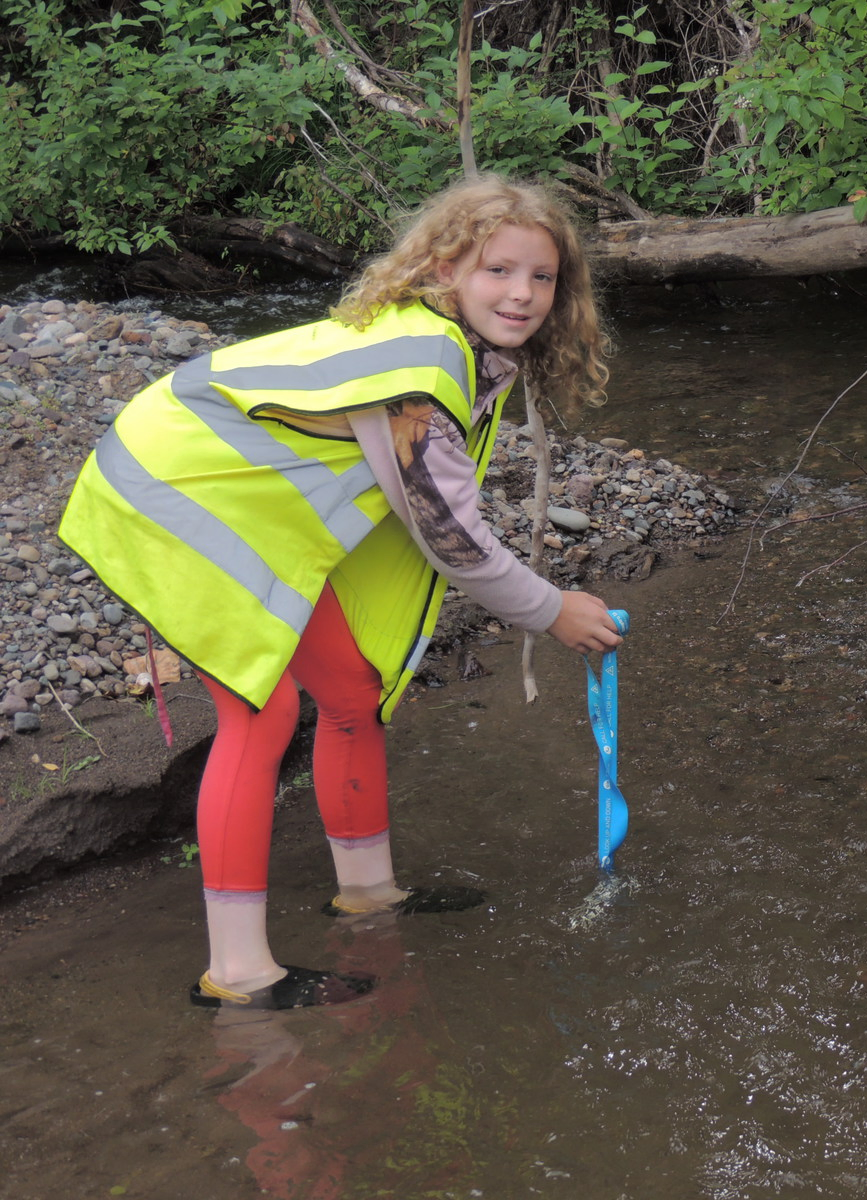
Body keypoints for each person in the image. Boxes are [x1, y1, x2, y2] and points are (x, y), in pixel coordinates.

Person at [59, 174, 624, 1011]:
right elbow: (452, 538)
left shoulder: (458, 348)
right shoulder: (423, 365)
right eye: (499, 269)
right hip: (175, 492)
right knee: (264, 712)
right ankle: (239, 975)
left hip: (254, 506)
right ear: (443, 268)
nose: (523, 293)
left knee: (353, 692)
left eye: (542, 277)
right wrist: (555, 609)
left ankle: (366, 896)